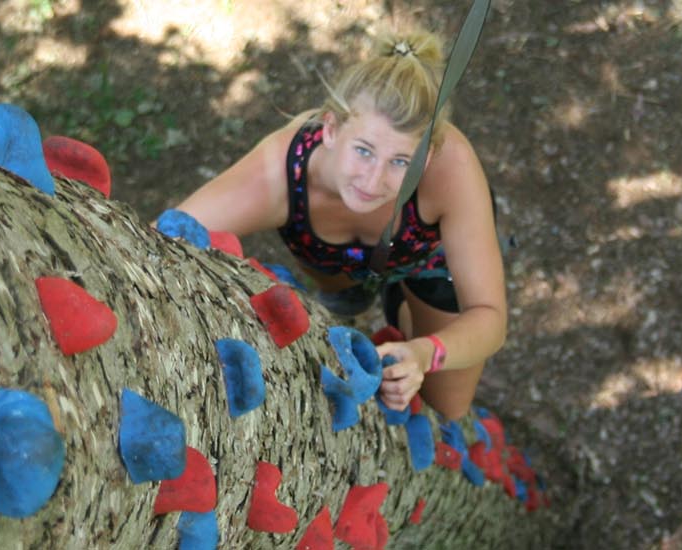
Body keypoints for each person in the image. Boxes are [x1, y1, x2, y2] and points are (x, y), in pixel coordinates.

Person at [173, 29, 505, 421]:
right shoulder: (280, 172)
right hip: (335, 265)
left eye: (401, 161)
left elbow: (490, 317)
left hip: (428, 260)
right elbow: (165, 237)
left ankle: (404, 300)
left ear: (427, 156)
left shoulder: (453, 169)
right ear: (330, 129)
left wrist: (424, 351)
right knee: (346, 299)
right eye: (363, 151)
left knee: (447, 406)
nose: (373, 180)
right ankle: (366, 295)